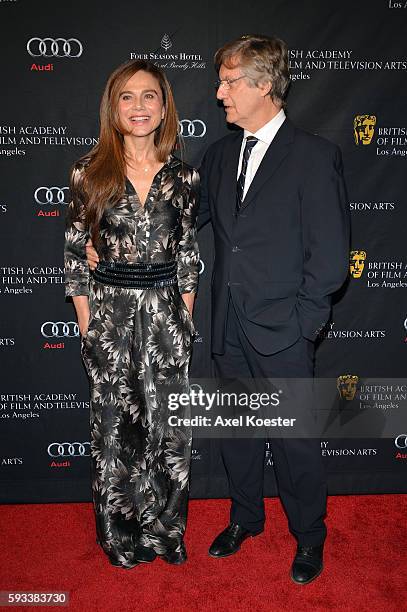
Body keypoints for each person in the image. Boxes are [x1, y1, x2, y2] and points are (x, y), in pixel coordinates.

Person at [86, 35, 350, 584]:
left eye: (229, 82)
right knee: (239, 436)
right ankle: (245, 519)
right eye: (221, 81)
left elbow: (330, 260)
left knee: (294, 441)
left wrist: (303, 325)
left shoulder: (314, 156)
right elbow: (177, 221)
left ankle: (309, 537)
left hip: (284, 331)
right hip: (226, 325)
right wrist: (107, 234)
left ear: (262, 84)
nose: (220, 92)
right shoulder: (220, 154)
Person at [64, 59, 199, 570]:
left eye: (149, 96)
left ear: (164, 107)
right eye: (127, 96)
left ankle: (166, 531)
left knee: (169, 428)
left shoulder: (184, 176)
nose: (138, 106)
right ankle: (119, 534)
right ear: (112, 106)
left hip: (166, 312)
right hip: (111, 314)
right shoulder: (87, 171)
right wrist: (86, 322)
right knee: (116, 430)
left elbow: (188, 253)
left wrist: (185, 318)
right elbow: (76, 252)